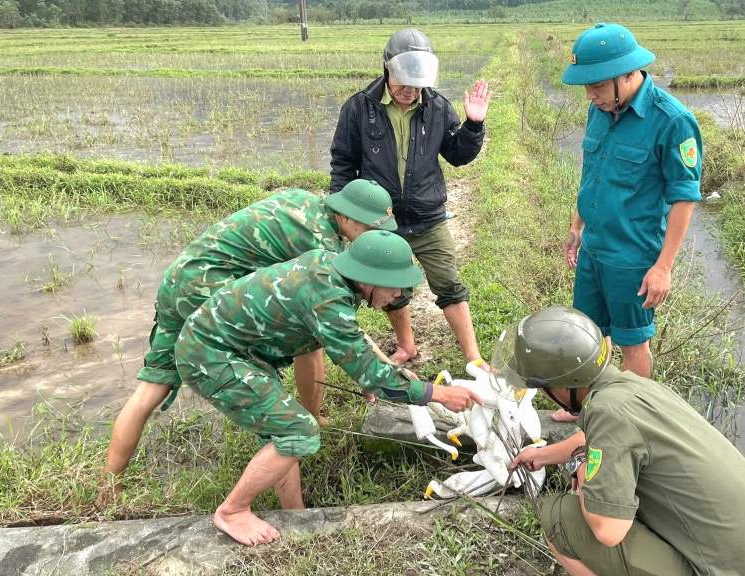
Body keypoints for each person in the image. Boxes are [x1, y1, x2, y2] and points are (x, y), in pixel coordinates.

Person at [500, 307, 745, 576]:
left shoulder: (607, 413)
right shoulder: (629, 387)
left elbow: (609, 530)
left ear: (563, 386)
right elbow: (604, 437)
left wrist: (587, 477)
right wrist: (550, 453)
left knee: (561, 519)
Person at [175, 231, 482, 546]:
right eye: (395, 286)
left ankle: (294, 517)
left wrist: (377, 373)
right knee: (300, 432)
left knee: (282, 430)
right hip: (212, 355)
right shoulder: (328, 298)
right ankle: (231, 511)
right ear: (369, 278)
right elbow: (369, 368)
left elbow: (354, 340)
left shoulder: (331, 268)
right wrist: (439, 393)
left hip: (237, 348)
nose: (399, 295)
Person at [101, 180, 397, 496]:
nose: (374, 236)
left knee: (150, 390)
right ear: (348, 218)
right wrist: (378, 371)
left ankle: (108, 488)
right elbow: (337, 325)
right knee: (278, 379)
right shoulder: (321, 244)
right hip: (208, 290)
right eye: (370, 228)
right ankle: (296, 434)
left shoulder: (304, 200)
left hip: (178, 280)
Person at [555, 23, 703, 423]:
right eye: (585, 86)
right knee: (588, 335)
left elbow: (684, 198)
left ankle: (629, 420)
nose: (589, 95)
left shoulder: (672, 121)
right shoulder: (600, 110)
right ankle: (587, 408)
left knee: (632, 343)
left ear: (627, 74)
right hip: (595, 250)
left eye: (597, 85)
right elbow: (593, 172)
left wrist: (663, 267)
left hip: (632, 258)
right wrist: (577, 223)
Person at [330, 28, 493, 367]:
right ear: (387, 68)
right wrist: (343, 213)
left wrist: (473, 126)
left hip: (427, 216)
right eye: (403, 82)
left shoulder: (436, 107)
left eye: (416, 84)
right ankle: (407, 347)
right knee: (391, 287)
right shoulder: (359, 107)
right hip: (380, 218)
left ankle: (474, 358)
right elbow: (343, 163)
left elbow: (458, 154)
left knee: (448, 283)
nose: (409, 90)